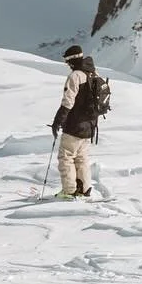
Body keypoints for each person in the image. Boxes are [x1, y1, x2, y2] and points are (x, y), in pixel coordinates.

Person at [51, 44, 101, 198]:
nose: (67, 65)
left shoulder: (76, 76)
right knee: (82, 158)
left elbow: (68, 101)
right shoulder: (94, 73)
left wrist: (57, 121)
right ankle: (84, 188)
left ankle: (69, 191)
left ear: (72, 60)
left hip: (74, 125)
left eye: (67, 61)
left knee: (65, 157)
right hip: (90, 125)